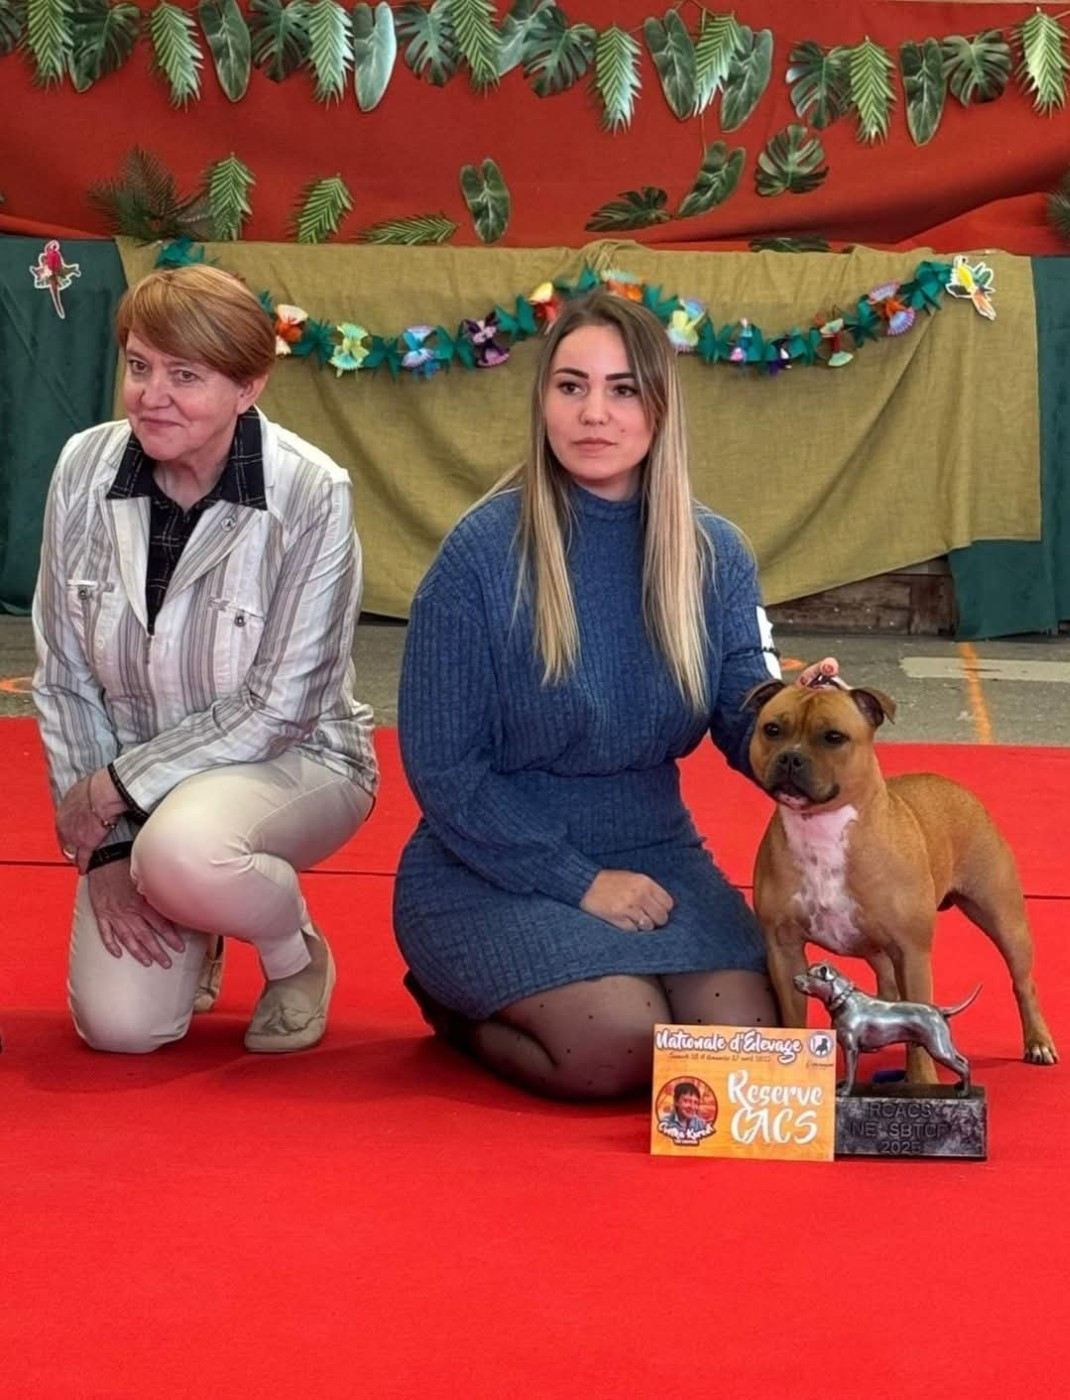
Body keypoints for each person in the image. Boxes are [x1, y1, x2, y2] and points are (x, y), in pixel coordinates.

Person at [393, 288, 835, 1101]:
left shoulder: (714, 553)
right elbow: (445, 772)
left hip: (655, 852)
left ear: (660, 408)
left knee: (749, 1039)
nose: (594, 413)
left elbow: (742, 709)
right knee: (619, 1044)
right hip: (491, 861)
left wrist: (797, 720)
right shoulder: (478, 556)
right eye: (572, 386)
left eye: (622, 389)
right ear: (543, 401)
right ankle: (455, 1007)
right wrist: (580, 882)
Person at [32, 264, 378, 1055]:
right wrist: (107, 850)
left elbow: (280, 707)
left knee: (185, 852)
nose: (151, 395)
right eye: (139, 366)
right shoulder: (82, 467)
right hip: (139, 800)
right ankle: (199, 910)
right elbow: (62, 678)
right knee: (122, 1029)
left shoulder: (312, 493)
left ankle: (294, 956)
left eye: (185, 376)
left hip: (300, 760)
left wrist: (112, 790)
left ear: (248, 387)